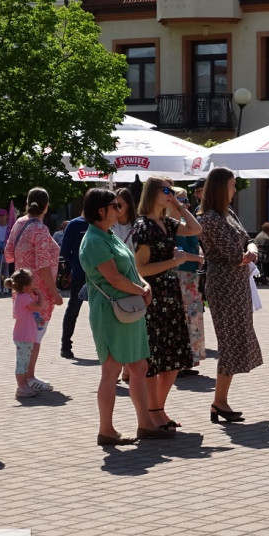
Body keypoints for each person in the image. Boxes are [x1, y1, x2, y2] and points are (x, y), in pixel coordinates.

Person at [80, 188, 168, 444]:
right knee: (111, 370)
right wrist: (141, 290)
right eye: (114, 205)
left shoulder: (109, 235)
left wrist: (144, 285)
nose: (120, 209)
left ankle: (145, 424)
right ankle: (106, 430)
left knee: (139, 366)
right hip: (111, 311)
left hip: (128, 308)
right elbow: (113, 277)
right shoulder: (94, 240)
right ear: (100, 210)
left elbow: (129, 268)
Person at [132, 176, 202, 431]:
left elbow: (196, 229)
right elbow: (142, 268)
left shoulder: (166, 222)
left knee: (174, 358)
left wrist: (180, 206)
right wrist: (175, 262)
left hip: (171, 295)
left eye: (172, 190)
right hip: (154, 296)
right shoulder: (144, 226)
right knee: (156, 359)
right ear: (152, 193)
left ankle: (157, 408)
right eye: (166, 190)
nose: (170, 193)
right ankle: (154, 411)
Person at [197, 167, 263, 423]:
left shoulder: (228, 212)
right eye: (232, 185)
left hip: (238, 283)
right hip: (224, 285)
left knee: (236, 339)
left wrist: (252, 248)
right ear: (221, 187)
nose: (235, 189)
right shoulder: (209, 218)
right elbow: (232, 254)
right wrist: (245, 254)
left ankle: (220, 401)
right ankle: (219, 402)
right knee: (230, 342)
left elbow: (247, 239)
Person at [4, 187, 62, 392]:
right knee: (34, 336)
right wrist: (54, 292)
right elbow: (44, 265)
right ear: (46, 206)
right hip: (39, 292)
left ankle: (27, 377)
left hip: (21, 288)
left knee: (28, 334)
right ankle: (29, 377)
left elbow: (8, 255)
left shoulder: (19, 223)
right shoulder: (40, 229)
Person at [169, 187, 206, 370]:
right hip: (177, 275)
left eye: (186, 200)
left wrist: (199, 255)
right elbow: (175, 252)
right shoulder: (168, 225)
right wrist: (198, 258)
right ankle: (180, 360)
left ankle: (190, 360)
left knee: (193, 317)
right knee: (182, 317)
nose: (188, 204)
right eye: (183, 200)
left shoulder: (185, 222)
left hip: (191, 275)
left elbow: (196, 242)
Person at [4, 269, 52, 399]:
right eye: (32, 283)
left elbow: (33, 312)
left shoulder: (24, 297)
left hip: (26, 335)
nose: (35, 285)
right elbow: (38, 307)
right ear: (25, 286)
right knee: (22, 363)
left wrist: (39, 319)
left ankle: (24, 385)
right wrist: (40, 297)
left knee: (25, 362)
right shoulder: (24, 298)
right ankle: (21, 387)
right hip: (23, 336)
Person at [58, 214, 89, 359]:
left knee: (104, 311)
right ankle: (65, 346)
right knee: (74, 308)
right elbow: (64, 250)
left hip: (101, 274)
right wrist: (76, 265)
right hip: (80, 275)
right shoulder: (75, 224)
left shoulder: (101, 223)